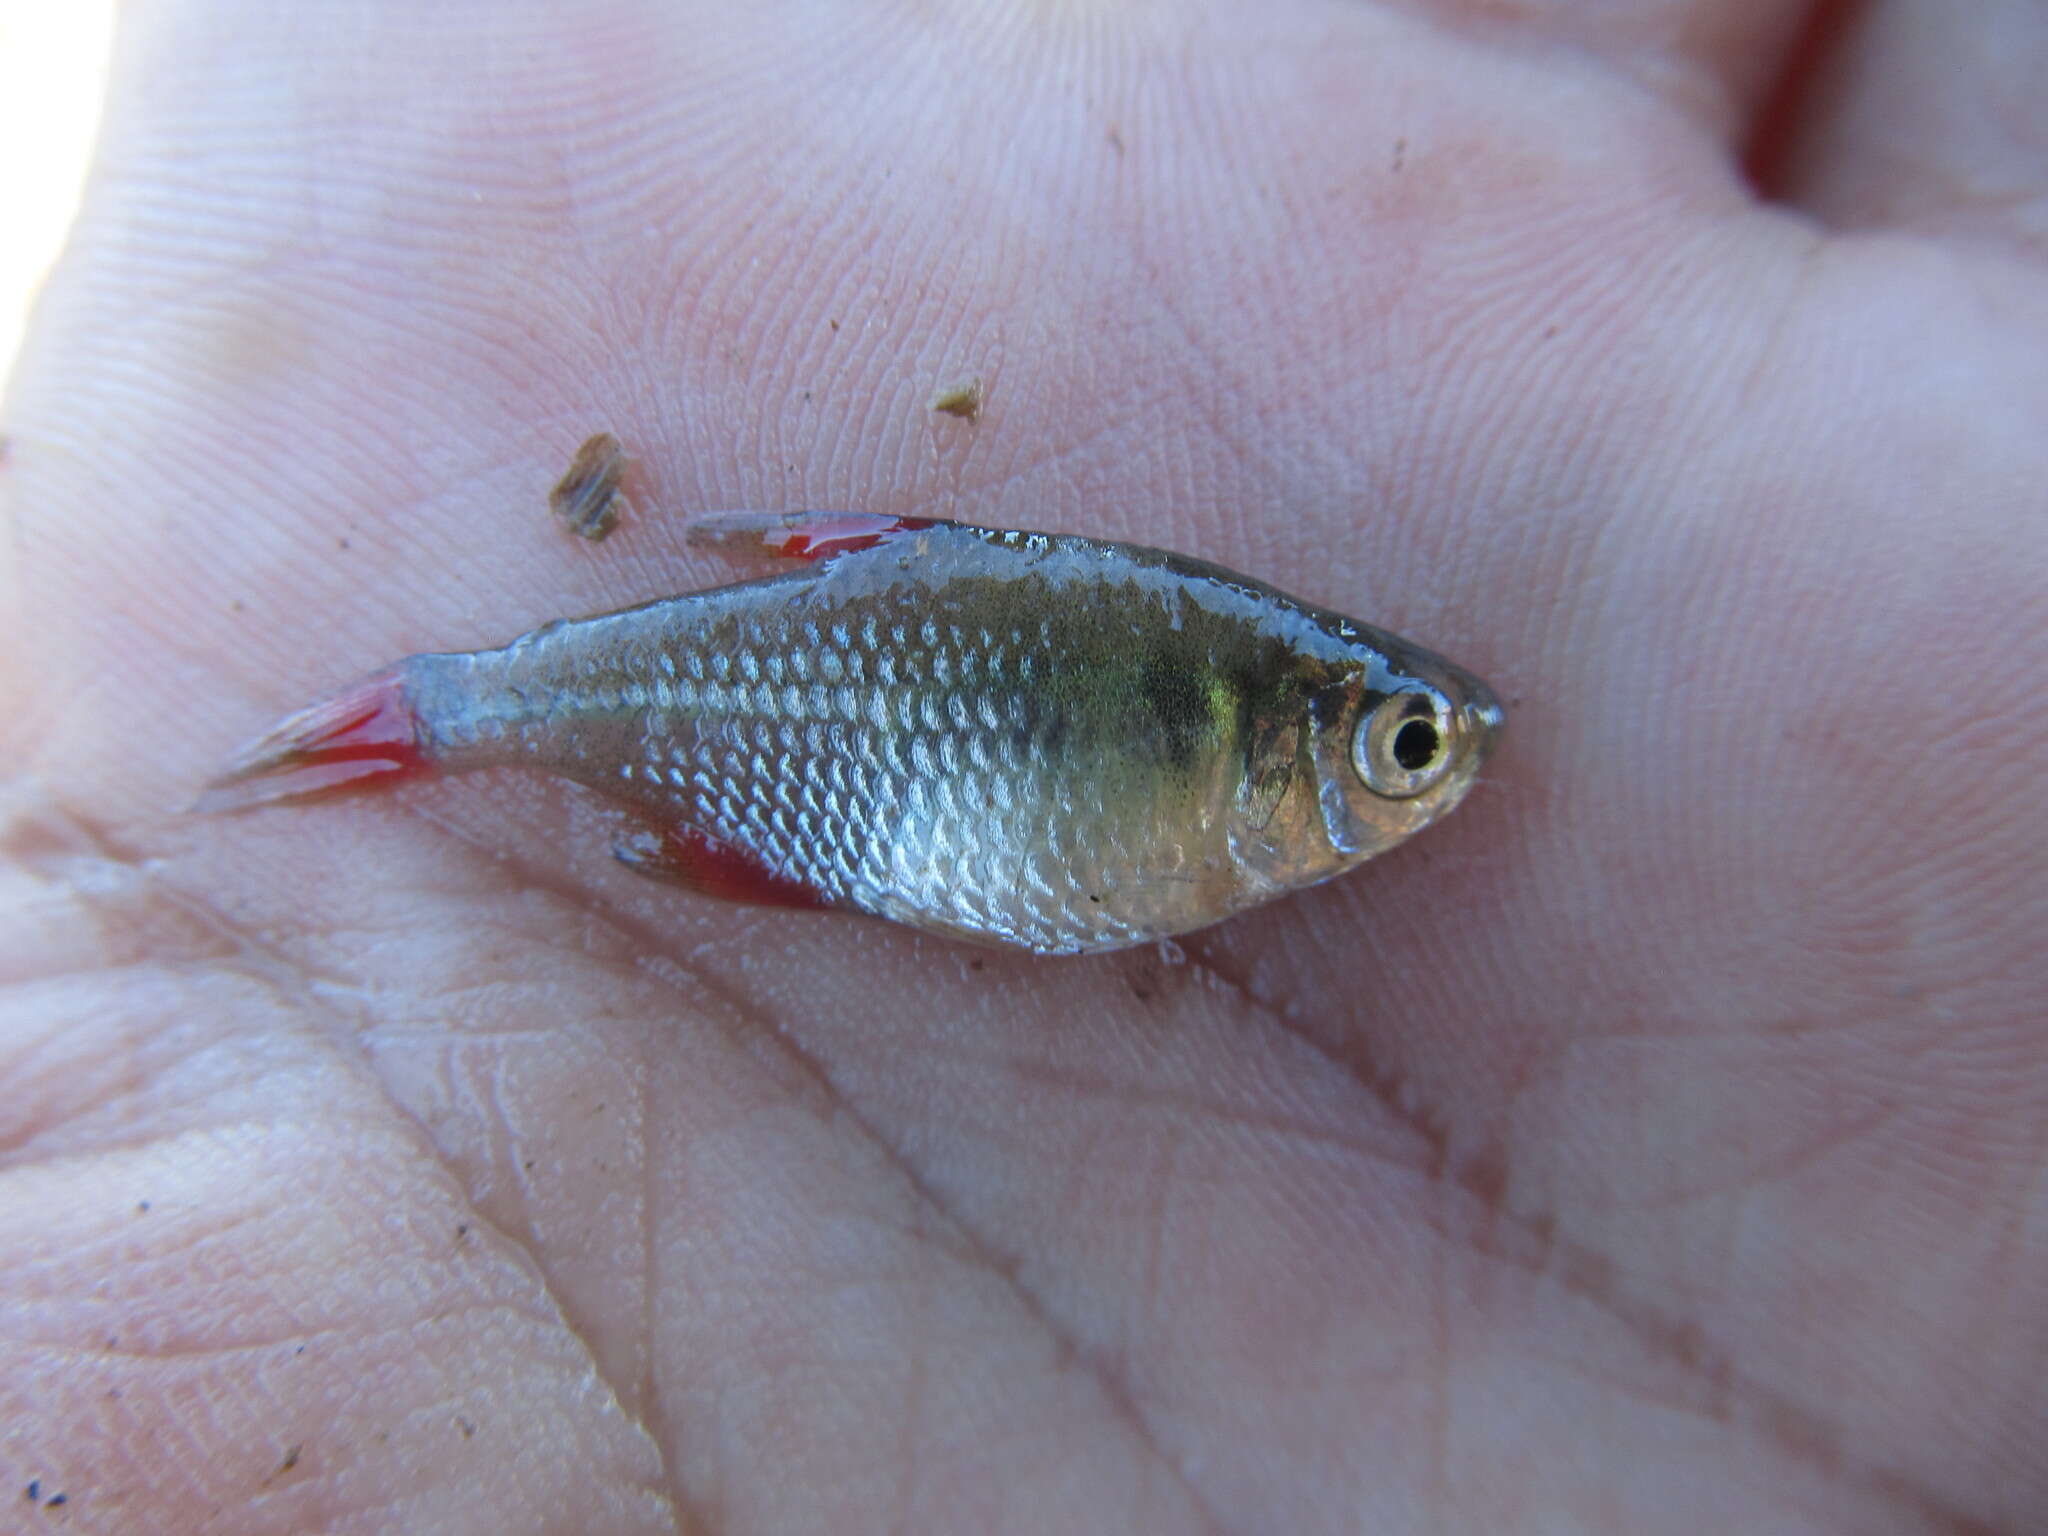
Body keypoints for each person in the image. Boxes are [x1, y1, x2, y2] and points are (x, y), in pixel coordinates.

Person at [2, 2, 2042, 1530]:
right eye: (1403, 745)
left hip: (860, 773)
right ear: (1286, 738)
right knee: (565, 727)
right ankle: (432, 718)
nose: (1428, 772)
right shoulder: (1216, 719)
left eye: (1406, 745)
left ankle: (433, 716)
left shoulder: (1218, 716)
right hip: (825, 756)